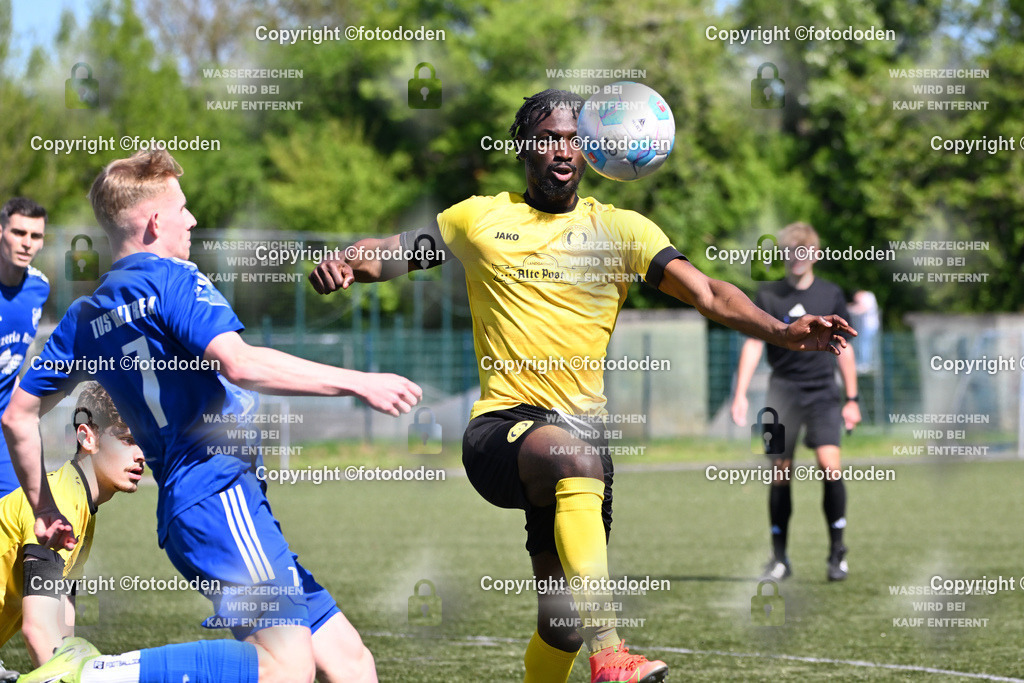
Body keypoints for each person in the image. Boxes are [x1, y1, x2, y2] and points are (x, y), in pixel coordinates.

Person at [309, 90, 855, 683]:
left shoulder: (621, 231)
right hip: (503, 429)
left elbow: (707, 292)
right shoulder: (478, 219)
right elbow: (388, 254)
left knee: (561, 623)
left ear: (593, 149)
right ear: (525, 147)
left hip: (585, 444)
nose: (562, 148)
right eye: (548, 137)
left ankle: (582, 647)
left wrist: (783, 331)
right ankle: (611, 654)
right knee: (571, 459)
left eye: (574, 137)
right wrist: (345, 263)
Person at [7, 149, 422, 683]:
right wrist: (359, 381)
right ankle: (93, 675)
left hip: (201, 502)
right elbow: (241, 364)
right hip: (217, 489)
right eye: (183, 209)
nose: (193, 221)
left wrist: (43, 507)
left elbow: (18, 416)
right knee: (284, 667)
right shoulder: (174, 279)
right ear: (156, 221)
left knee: (349, 663)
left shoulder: (83, 319)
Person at [730, 221, 861, 582]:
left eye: (804, 250)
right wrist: (739, 394)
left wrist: (852, 398)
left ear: (814, 254)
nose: (797, 257)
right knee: (780, 474)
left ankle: (837, 553)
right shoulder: (768, 295)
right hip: (781, 392)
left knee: (829, 464)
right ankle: (779, 559)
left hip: (822, 392)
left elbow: (845, 349)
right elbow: (754, 342)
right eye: (791, 250)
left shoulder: (831, 294)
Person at [0, 382, 143, 678]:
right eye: (128, 440)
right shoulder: (60, 504)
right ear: (86, 437)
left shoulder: (81, 508)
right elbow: (38, 628)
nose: (142, 455)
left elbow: (61, 639)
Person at [0, 198, 49, 498]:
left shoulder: (38, 289)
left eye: (35, 236)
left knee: (18, 512)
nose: (27, 243)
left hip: (5, 425)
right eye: (18, 233)